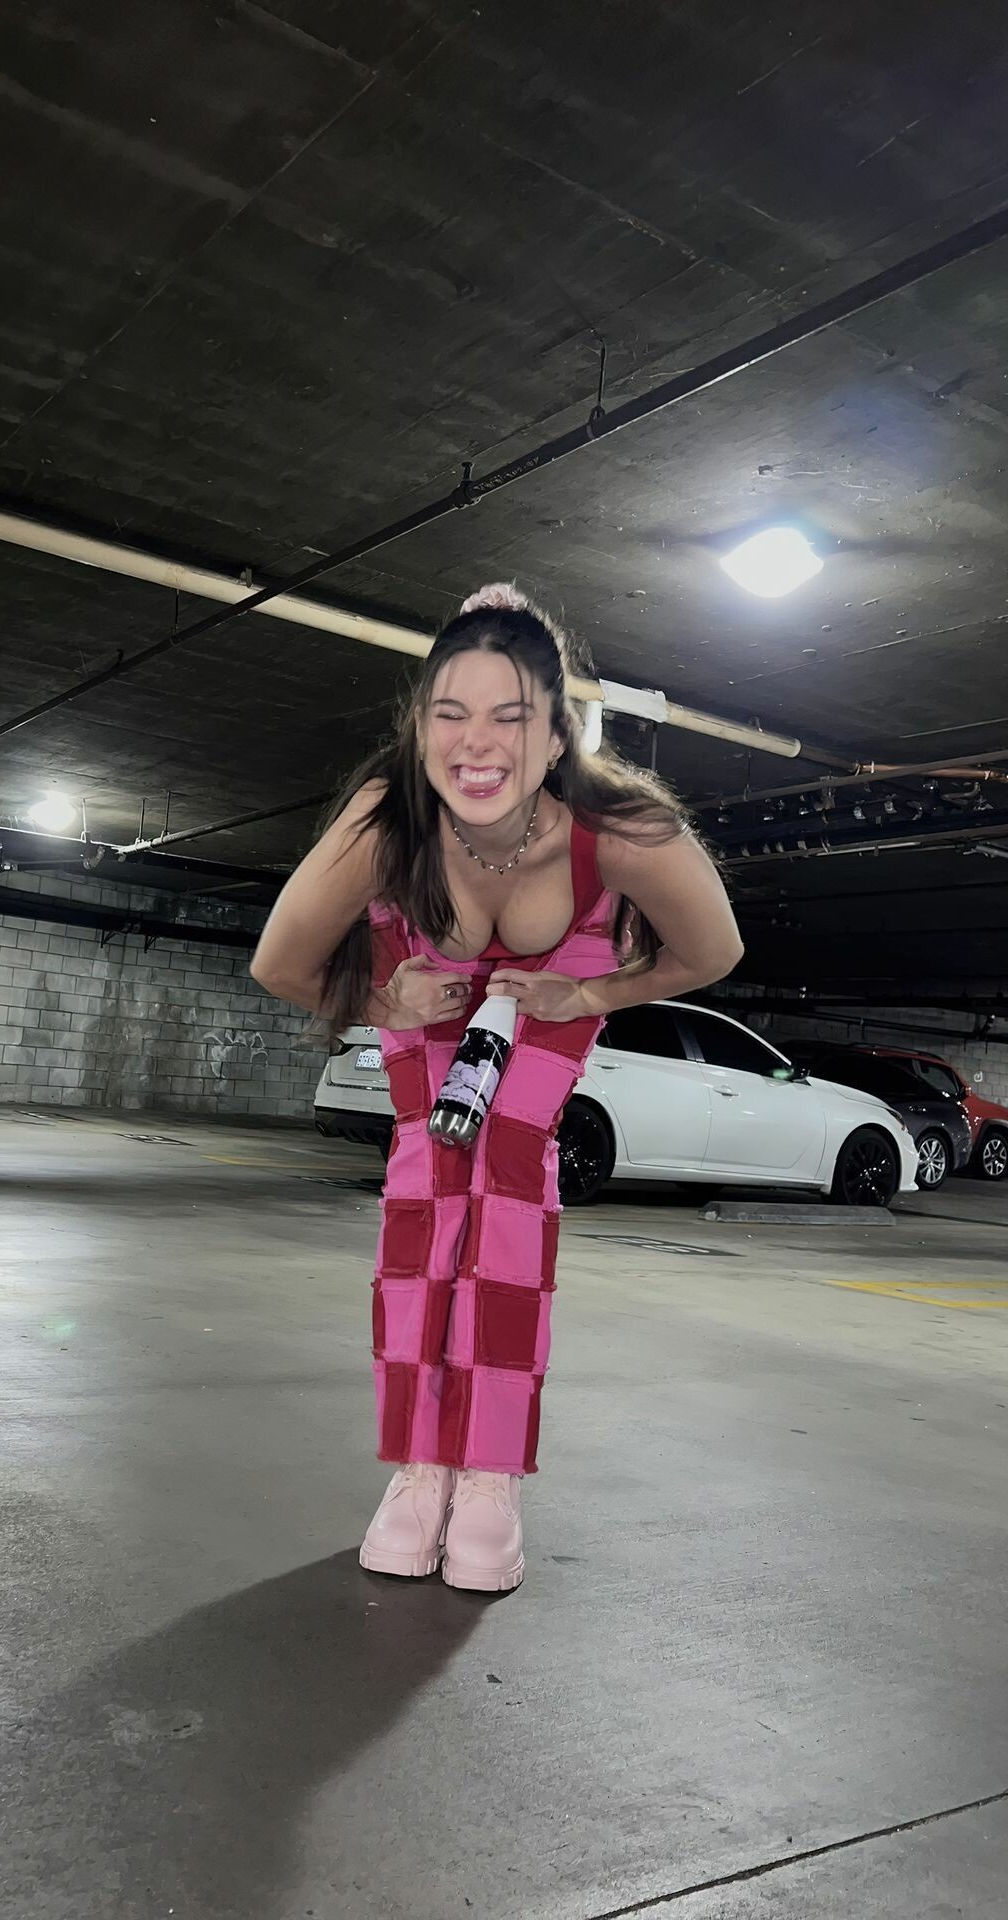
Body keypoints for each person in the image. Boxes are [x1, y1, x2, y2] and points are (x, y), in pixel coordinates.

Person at [251, 583, 744, 1591]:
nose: (476, 743)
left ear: (557, 736)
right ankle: (420, 1468)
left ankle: (489, 1480)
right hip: (419, 997)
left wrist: (591, 992)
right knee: (426, 1190)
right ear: (420, 727)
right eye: (451, 714)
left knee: (511, 1185)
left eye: (510, 717)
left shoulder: (623, 829)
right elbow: (281, 964)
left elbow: (712, 950)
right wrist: (384, 1003)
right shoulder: (386, 819)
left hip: (555, 988)